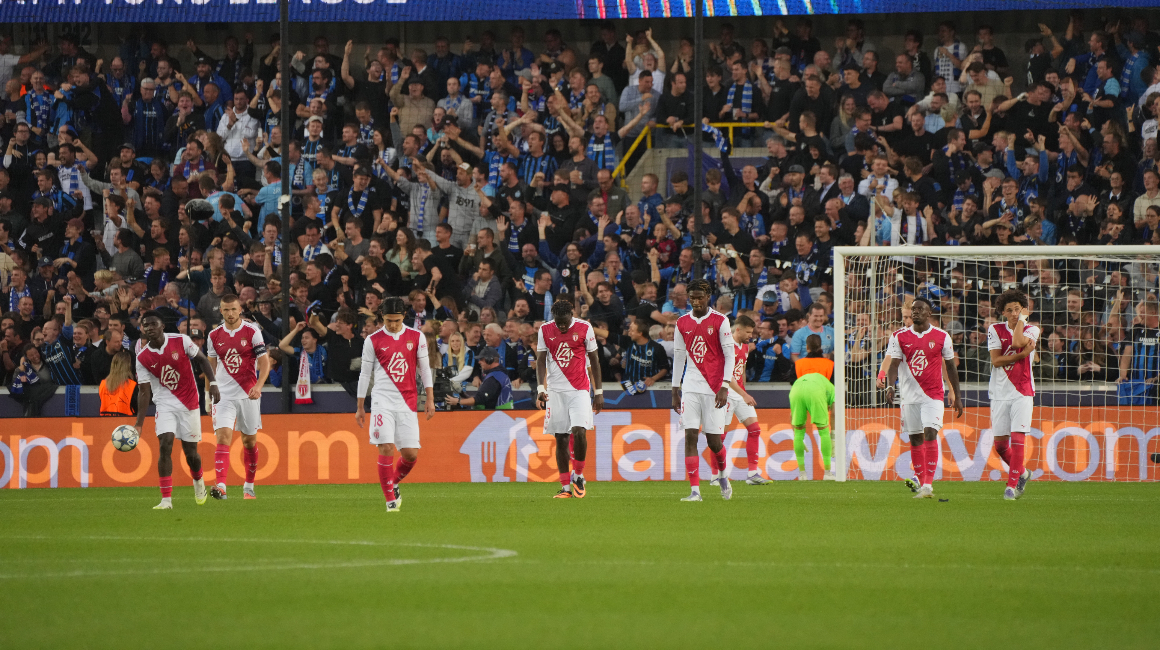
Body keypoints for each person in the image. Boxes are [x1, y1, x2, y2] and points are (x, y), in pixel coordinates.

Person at [133, 310, 221, 510]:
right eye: (145, 325)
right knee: (165, 445)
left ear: (162, 326)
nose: (149, 328)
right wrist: (139, 424)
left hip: (189, 402)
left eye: (153, 324)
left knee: (191, 454)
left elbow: (202, 360)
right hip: (164, 403)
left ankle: (198, 481)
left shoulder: (181, 341)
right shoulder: (142, 357)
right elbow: (144, 391)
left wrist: (213, 384)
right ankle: (166, 500)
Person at [355, 296, 435, 513]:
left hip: (407, 402)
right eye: (388, 320)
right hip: (382, 401)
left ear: (404, 317)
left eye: (397, 320)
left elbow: (425, 369)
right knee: (386, 447)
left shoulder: (416, 337)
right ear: (382, 317)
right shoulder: (372, 340)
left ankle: (393, 482)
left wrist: (429, 398)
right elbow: (365, 374)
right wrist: (360, 406)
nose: (392, 324)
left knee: (410, 455)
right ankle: (390, 502)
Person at [877, 298, 963, 500]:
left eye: (919, 309)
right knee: (915, 438)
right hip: (909, 396)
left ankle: (927, 485)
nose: (915, 312)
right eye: (913, 310)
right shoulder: (899, 336)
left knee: (930, 432)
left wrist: (956, 394)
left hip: (933, 395)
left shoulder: (942, 336)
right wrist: (890, 385)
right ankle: (920, 479)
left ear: (929, 313)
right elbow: (893, 363)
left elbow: (950, 367)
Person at [671, 279, 736, 502]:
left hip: (714, 387)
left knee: (714, 442)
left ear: (708, 297)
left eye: (700, 297)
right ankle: (695, 491)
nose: (696, 301)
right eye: (692, 298)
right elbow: (679, 356)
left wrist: (725, 386)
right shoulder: (681, 323)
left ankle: (723, 475)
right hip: (690, 386)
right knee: (690, 435)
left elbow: (730, 356)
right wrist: (675, 389)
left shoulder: (720, 321)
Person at [534, 298, 603, 499]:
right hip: (555, 391)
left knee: (579, 431)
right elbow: (540, 361)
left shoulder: (585, 328)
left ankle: (578, 475)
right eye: (558, 322)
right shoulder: (545, 330)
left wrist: (598, 392)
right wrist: (541, 387)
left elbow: (594, 360)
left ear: (572, 315)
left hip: (579, 389)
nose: (562, 326)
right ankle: (565, 488)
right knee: (561, 438)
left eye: (565, 322)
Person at [206, 295, 271, 501]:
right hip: (223, 395)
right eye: (226, 310)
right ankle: (221, 486)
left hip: (247, 394)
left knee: (249, 442)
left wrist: (258, 387)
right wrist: (208, 395)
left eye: (233, 309)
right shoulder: (214, 335)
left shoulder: (252, 331)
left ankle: (249, 486)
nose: (230, 313)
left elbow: (265, 362)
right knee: (223, 437)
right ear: (221, 311)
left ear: (240, 309)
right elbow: (210, 367)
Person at [987, 289, 1037, 501]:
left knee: (1018, 438)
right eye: (1010, 310)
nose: (1014, 313)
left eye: (1018, 309)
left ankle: (1011, 486)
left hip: (1022, 392)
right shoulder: (995, 329)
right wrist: (1023, 355)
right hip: (999, 393)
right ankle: (1023, 473)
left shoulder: (1033, 329)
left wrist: (1022, 322)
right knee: (1000, 446)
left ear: (1024, 310)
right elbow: (996, 361)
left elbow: (1016, 342)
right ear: (1003, 312)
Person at [714, 315, 766, 486]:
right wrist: (744, 394)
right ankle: (716, 476)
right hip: (725, 394)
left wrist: (744, 392)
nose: (751, 336)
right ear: (738, 329)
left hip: (739, 393)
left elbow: (741, 370)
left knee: (755, 430)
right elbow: (727, 375)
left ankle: (752, 474)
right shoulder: (726, 346)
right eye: (748, 332)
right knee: (719, 437)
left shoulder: (744, 347)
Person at [790, 334, 836, 481]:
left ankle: (802, 474)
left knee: (798, 433)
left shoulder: (798, 364)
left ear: (807, 347)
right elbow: (834, 411)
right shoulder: (830, 364)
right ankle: (827, 473)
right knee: (824, 431)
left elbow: (792, 381)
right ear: (821, 347)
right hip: (819, 393)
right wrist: (834, 436)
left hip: (797, 389)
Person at [98, 350, 137, 417]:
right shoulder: (132, 385)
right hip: (126, 420)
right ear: (129, 366)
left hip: (105, 420)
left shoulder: (103, 384)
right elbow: (136, 407)